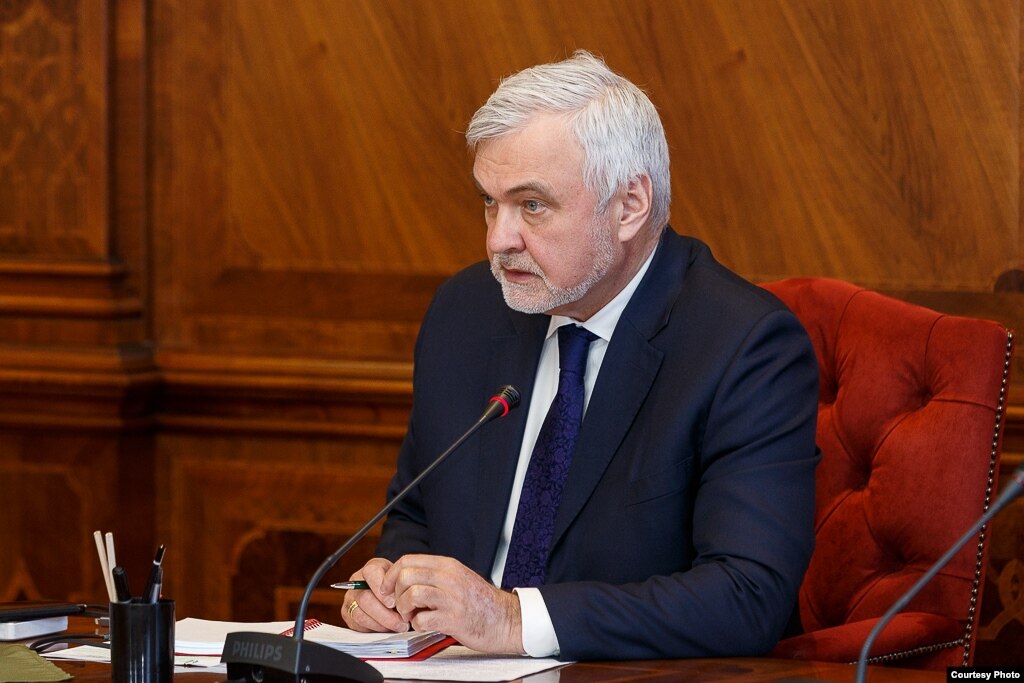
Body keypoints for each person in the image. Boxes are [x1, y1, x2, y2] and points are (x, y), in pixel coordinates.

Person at [340, 50, 820, 662]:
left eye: (532, 205)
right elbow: (417, 515)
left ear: (629, 206)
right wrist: (386, 587)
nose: (498, 239)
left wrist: (514, 620)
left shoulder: (743, 345)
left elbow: (747, 597)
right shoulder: (465, 313)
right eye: (490, 202)